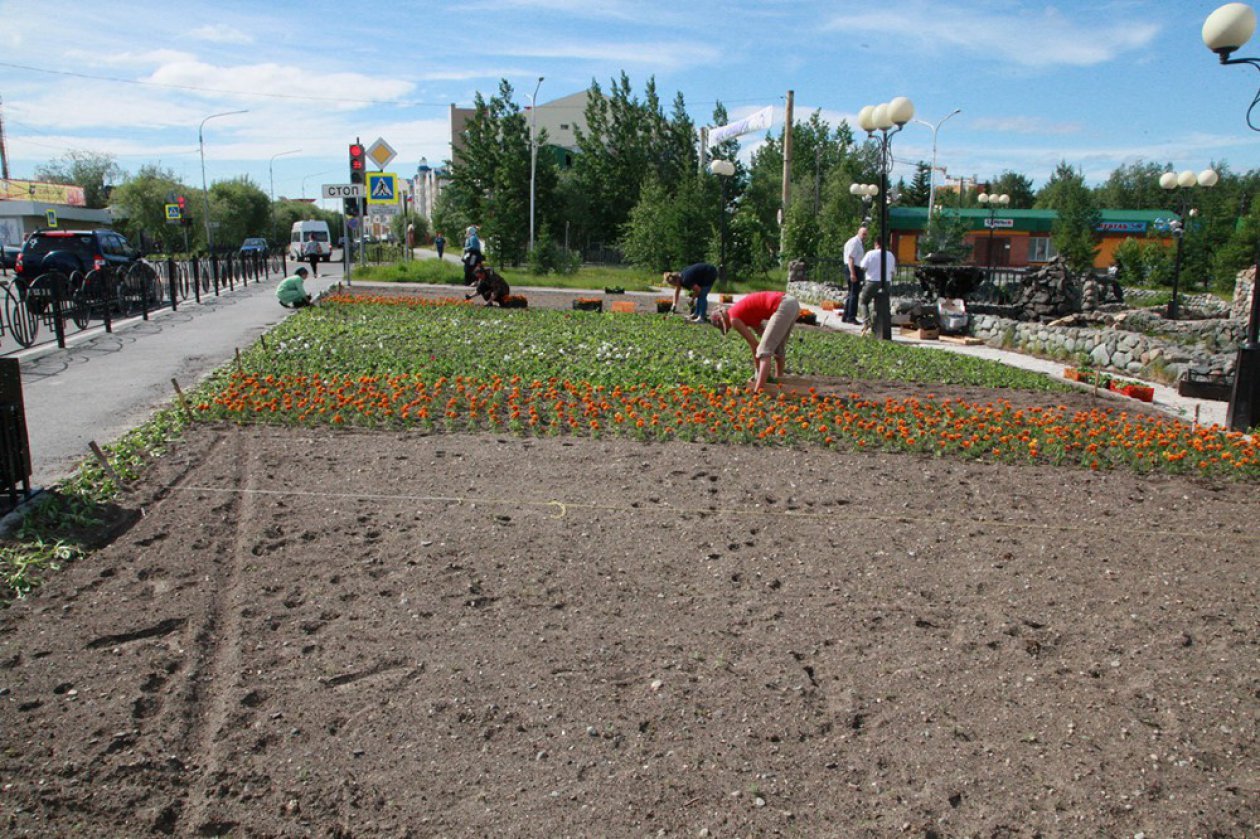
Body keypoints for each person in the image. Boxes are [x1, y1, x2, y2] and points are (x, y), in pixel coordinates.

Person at [708, 290, 801, 393]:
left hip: (782, 304)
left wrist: (758, 370)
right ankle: (779, 380)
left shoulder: (733, 319)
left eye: (724, 327)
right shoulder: (741, 312)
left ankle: (758, 391)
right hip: (792, 303)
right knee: (777, 347)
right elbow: (762, 332)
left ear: (722, 320)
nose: (728, 329)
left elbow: (754, 344)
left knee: (763, 351)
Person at [858, 240, 897, 332]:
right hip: (886, 282)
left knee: (863, 301)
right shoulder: (890, 255)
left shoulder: (870, 253)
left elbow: (863, 266)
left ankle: (866, 322)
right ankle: (880, 325)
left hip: (872, 281)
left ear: (876, 244)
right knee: (882, 304)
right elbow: (893, 270)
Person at [842, 225, 867, 324]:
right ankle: (851, 317)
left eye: (866, 235)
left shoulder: (857, 242)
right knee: (854, 294)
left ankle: (846, 315)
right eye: (863, 234)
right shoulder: (854, 242)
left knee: (851, 293)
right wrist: (852, 273)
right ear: (859, 233)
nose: (865, 236)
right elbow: (850, 258)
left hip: (854, 268)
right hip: (853, 268)